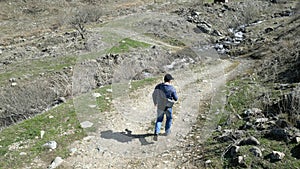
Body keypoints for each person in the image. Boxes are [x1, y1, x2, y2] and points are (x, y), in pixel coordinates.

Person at [152, 73, 178, 141]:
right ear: (169, 80)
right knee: (169, 118)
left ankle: (156, 132)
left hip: (160, 105)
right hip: (168, 106)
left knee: (159, 119)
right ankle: (167, 132)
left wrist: (155, 102)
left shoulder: (159, 86)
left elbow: (154, 94)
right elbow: (176, 98)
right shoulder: (172, 88)